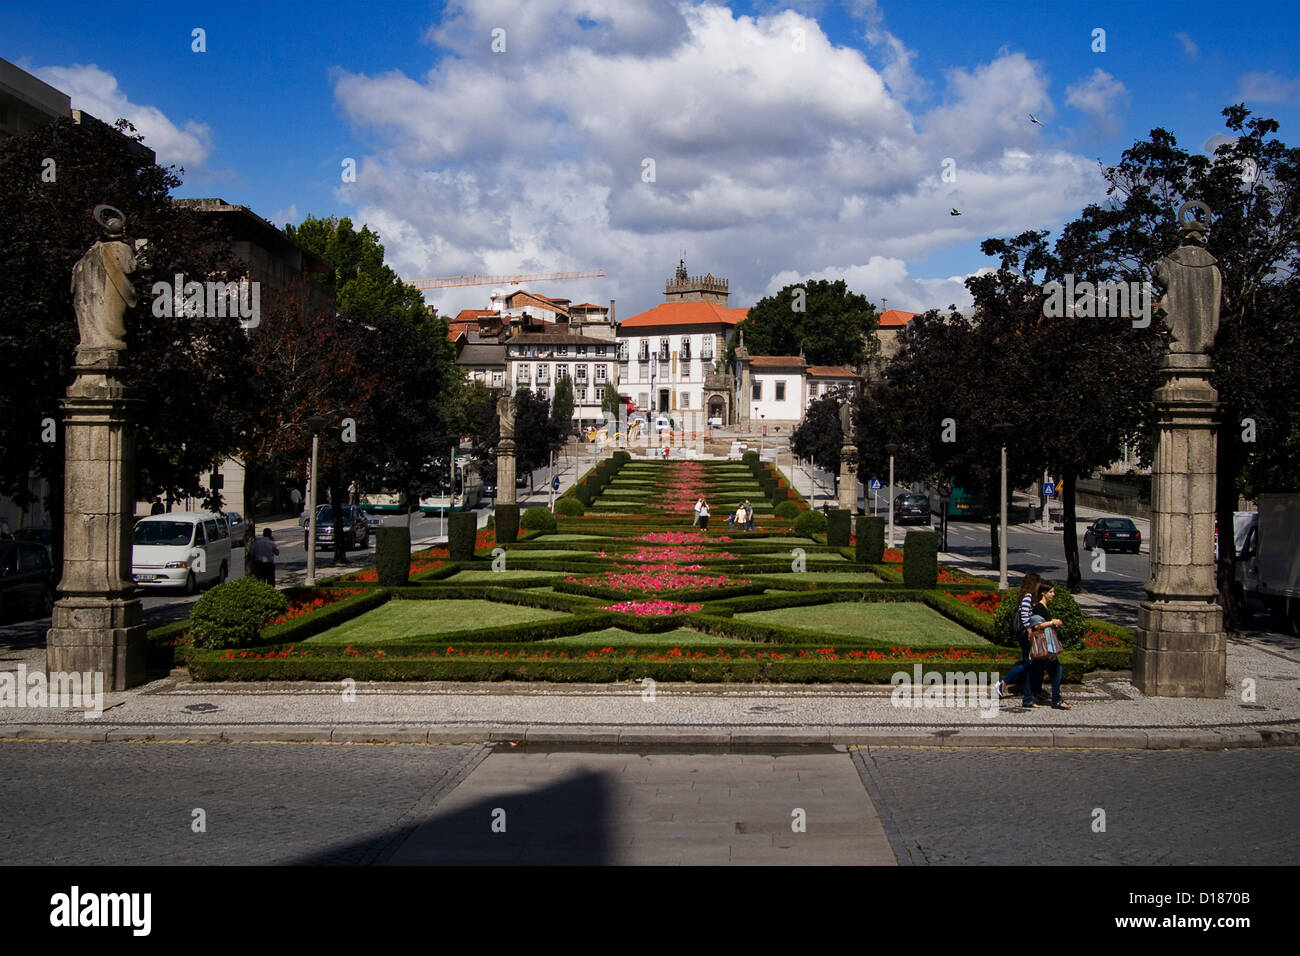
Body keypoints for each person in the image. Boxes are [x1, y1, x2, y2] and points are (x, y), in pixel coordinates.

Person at [997, 572, 1046, 702]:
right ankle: (1004, 682)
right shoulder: (1028, 596)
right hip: (1025, 633)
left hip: (1024, 633)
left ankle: (1029, 693)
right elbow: (1025, 616)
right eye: (1037, 583)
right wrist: (1029, 630)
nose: (1038, 586)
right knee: (1028, 662)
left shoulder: (1025, 595)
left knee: (1029, 662)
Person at [1024, 581, 1068, 709]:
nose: (1053, 594)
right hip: (1044, 645)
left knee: (1034, 671)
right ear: (1043, 593)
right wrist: (1052, 622)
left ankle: (1028, 699)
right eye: (1051, 592)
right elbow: (1036, 625)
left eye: (1053, 592)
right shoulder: (1039, 607)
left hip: (1045, 645)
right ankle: (1056, 699)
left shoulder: (1044, 607)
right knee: (1056, 670)